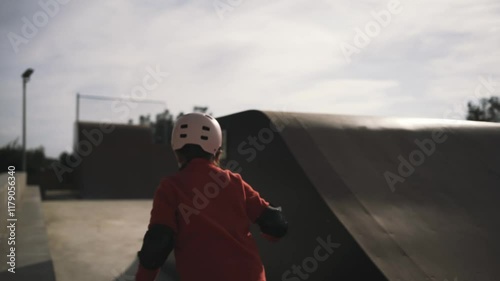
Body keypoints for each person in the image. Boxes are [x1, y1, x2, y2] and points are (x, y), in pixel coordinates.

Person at [135, 112, 288, 281]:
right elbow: (275, 222)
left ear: (177, 151)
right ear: (218, 152)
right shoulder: (234, 181)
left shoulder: (170, 187)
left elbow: (158, 244)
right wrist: (271, 236)